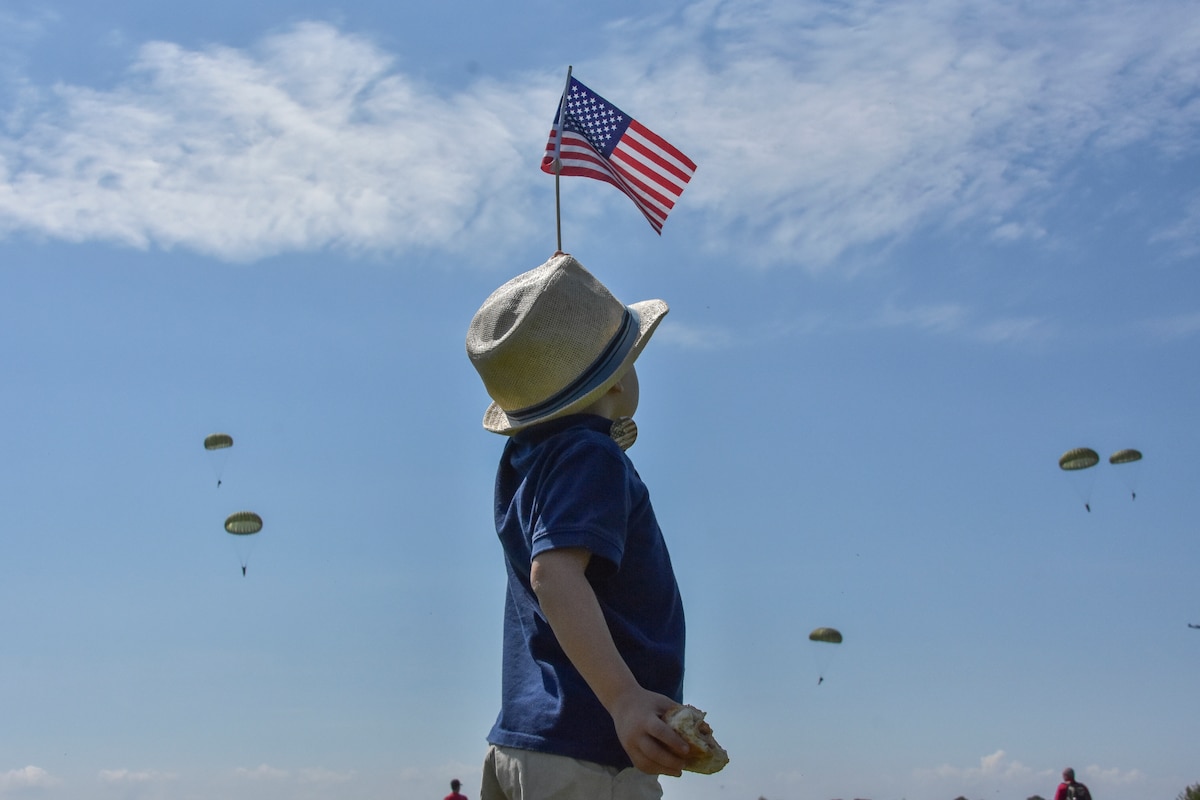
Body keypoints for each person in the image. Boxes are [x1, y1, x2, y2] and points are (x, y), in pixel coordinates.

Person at [465, 252, 692, 800]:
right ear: (614, 386)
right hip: (588, 750)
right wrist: (624, 699)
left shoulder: (528, 459)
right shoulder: (590, 456)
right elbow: (556, 576)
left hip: (528, 741)